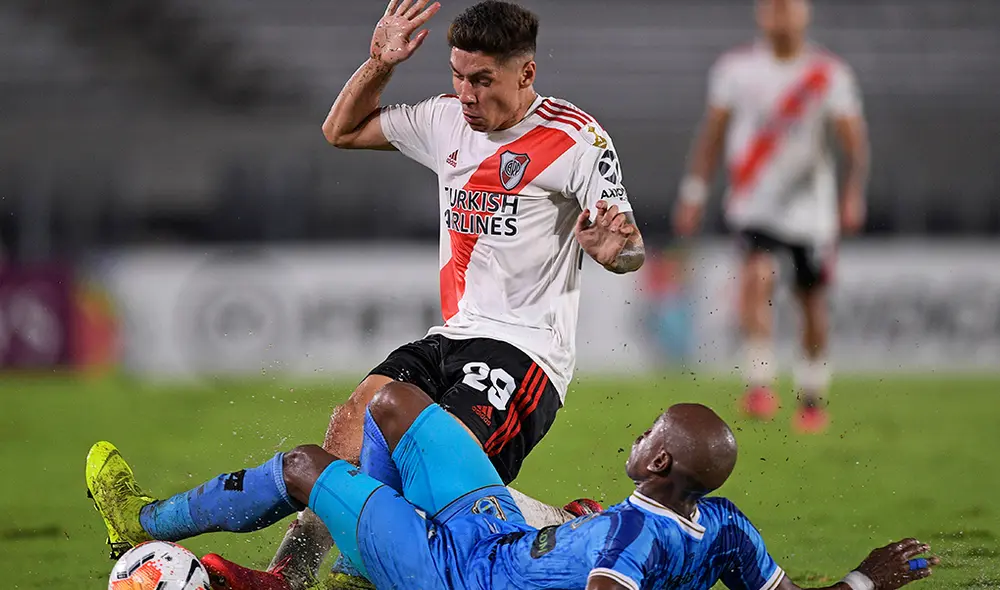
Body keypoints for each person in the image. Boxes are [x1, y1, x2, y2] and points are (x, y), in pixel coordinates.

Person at [88, 1, 644, 588]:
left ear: (525, 73)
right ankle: (291, 573)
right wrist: (380, 64)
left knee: (430, 487)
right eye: (458, 75)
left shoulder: (576, 141)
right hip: (451, 335)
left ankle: (557, 530)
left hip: (524, 354)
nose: (466, 94)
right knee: (350, 425)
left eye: (482, 79)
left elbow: (627, 246)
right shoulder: (446, 119)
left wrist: (614, 251)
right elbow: (342, 130)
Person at [86, 381, 938, 590]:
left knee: (308, 464)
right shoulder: (724, 525)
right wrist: (864, 580)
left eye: (649, 434)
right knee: (390, 401)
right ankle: (358, 556)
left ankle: (143, 523)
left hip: (456, 569)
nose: (637, 436)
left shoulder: (630, 543)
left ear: (659, 464)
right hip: (491, 522)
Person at [673, 0, 869, 434]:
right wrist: (694, 192)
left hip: (810, 209)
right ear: (761, 14)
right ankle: (760, 382)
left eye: (788, 7)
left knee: (810, 299)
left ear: (805, 13)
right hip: (754, 202)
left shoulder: (828, 73)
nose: (780, 16)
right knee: (755, 277)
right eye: (773, 8)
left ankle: (812, 393)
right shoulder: (736, 69)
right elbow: (712, 134)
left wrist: (853, 192)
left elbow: (853, 141)